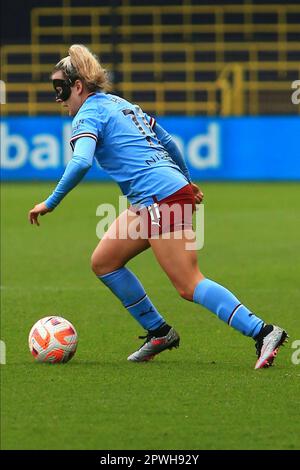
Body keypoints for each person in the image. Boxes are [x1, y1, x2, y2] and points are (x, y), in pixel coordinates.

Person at [28, 44, 288, 369]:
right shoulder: (121, 104)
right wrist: (187, 182)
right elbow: (168, 142)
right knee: (104, 262)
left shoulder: (89, 114)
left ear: (78, 86)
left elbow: (81, 161)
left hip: (157, 198)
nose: (59, 98)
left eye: (61, 89)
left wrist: (50, 202)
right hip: (157, 195)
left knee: (188, 283)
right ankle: (159, 331)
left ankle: (263, 331)